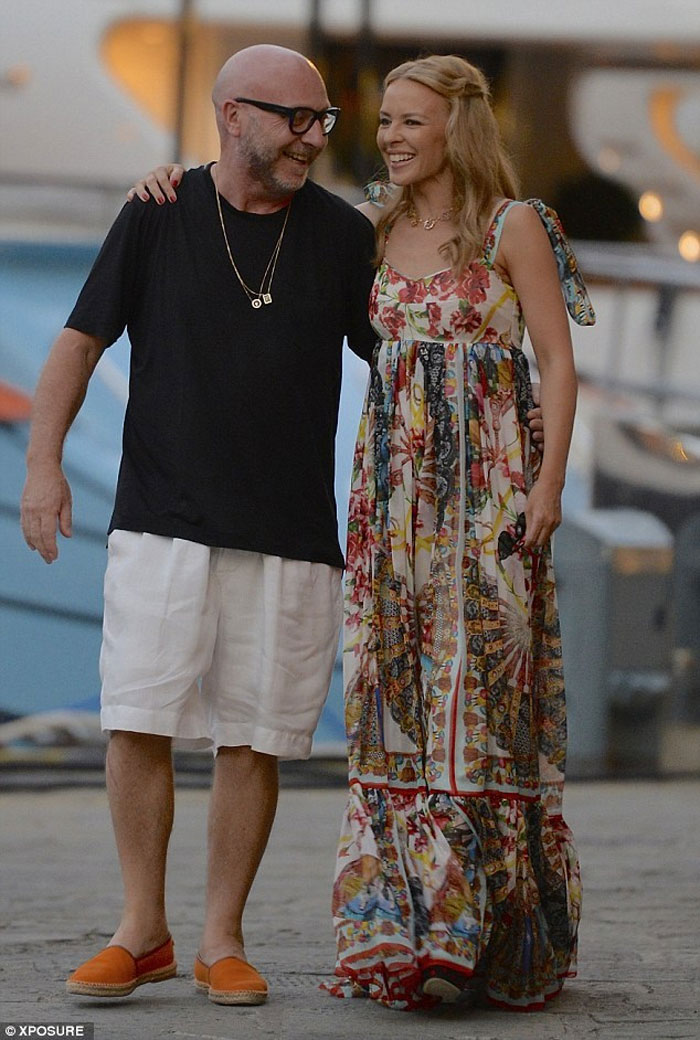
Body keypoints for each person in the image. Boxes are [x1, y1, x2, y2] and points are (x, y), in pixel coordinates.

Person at [20, 44, 378, 1006]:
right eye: (294, 119)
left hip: (291, 530)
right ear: (232, 115)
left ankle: (223, 938)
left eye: (322, 120)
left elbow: (400, 361)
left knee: (254, 740)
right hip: (160, 519)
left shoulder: (344, 236)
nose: (312, 138)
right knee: (137, 719)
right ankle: (141, 930)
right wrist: (44, 468)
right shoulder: (158, 211)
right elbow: (79, 344)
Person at [322, 54, 596, 1012]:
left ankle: (478, 930)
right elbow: (263, 215)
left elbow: (557, 361)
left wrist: (549, 485)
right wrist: (173, 181)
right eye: (385, 121)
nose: (390, 136)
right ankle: (406, 929)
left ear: (456, 127)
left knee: (480, 697)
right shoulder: (371, 224)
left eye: (410, 120)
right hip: (394, 502)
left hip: (492, 497)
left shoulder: (512, 225)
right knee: (394, 693)